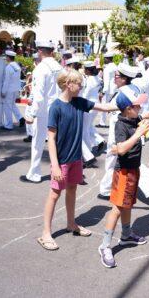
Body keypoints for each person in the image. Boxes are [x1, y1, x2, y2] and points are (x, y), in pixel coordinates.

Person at [37, 69, 119, 251]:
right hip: (62, 160)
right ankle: (45, 233)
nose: (82, 86)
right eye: (79, 84)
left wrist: (126, 103)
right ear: (68, 84)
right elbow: (50, 138)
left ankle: (71, 223)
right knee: (55, 194)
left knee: (72, 189)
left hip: (76, 158)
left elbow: (104, 107)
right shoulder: (56, 107)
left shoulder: (79, 102)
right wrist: (56, 166)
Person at [98, 85, 149, 268]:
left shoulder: (134, 118)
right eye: (138, 105)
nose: (141, 108)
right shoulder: (121, 124)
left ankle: (126, 235)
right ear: (128, 108)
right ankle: (105, 246)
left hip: (133, 168)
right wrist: (138, 133)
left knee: (127, 203)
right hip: (123, 171)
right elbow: (120, 149)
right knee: (117, 208)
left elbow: (147, 115)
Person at [98, 63, 149, 205]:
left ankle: (107, 190)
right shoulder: (134, 88)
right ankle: (106, 189)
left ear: (123, 78)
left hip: (120, 131)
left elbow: (107, 108)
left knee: (120, 160)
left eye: (116, 77)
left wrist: (86, 104)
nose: (114, 79)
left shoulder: (123, 93)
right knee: (122, 161)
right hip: (131, 128)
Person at [21, 41, 63, 183]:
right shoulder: (59, 67)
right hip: (58, 108)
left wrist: (31, 114)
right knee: (57, 141)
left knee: (38, 142)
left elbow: (38, 95)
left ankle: (34, 173)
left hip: (44, 110)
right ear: (51, 51)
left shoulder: (40, 69)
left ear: (39, 51)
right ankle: (62, 171)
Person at [80, 61, 105, 168]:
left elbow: (85, 94)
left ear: (87, 70)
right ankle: (98, 141)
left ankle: (88, 155)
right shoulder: (97, 79)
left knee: (84, 130)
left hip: (88, 106)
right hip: (95, 105)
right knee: (88, 127)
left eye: (85, 68)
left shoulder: (89, 80)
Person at [1, 50, 25, 130]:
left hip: (9, 90)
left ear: (8, 57)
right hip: (15, 89)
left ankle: (8, 125)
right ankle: (21, 118)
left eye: (6, 57)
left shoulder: (8, 67)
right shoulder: (17, 67)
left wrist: (3, 91)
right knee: (12, 105)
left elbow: (6, 81)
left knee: (7, 107)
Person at [23, 53, 40, 143]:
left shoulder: (37, 70)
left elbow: (35, 86)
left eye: (34, 60)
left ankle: (30, 134)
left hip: (35, 98)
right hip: (43, 99)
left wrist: (31, 98)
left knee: (28, 115)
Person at [97, 52, 117, 127]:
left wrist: (103, 91)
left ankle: (102, 122)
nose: (104, 60)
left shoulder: (107, 68)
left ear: (108, 59)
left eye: (105, 58)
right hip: (114, 89)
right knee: (112, 106)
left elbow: (107, 81)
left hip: (108, 90)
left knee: (104, 106)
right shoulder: (115, 66)